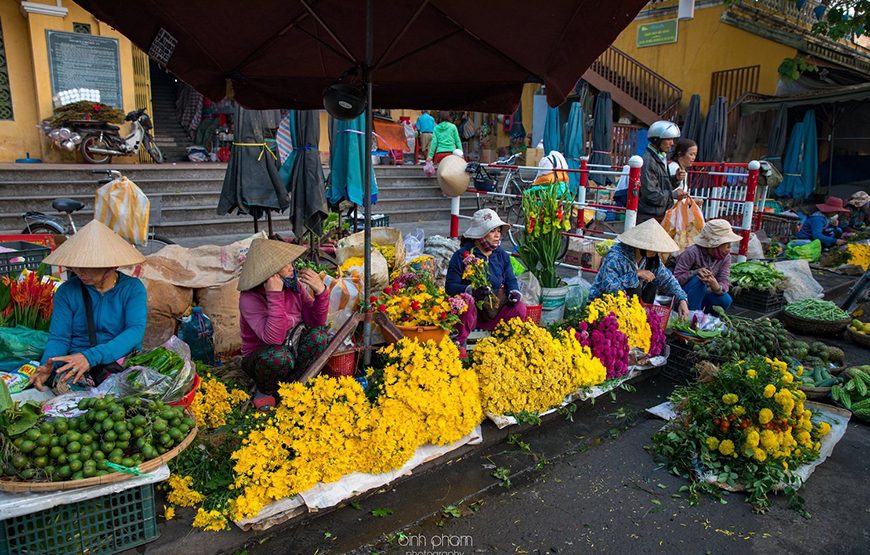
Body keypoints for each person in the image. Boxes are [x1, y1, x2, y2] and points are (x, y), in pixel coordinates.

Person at [29, 220, 147, 391]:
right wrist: (49, 365)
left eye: (86, 266)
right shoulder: (67, 291)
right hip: (76, 362)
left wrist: (90, 357)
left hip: (120, 360)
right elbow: (59, 338)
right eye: (76, 266)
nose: (79, 272)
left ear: (110, 266)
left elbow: (135, 331)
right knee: (67, 391)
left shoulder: (132, 288)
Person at [238, 239, 330, 409]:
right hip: (264, 357)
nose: (291, 268)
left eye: (290, 263)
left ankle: (293, 384)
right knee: (280, 357)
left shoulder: (293, 287)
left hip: (291, 347)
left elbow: (315, 321)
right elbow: (274, 339)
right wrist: (274, 294)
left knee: (320, 335)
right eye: (284, 265)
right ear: (270, 274)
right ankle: (266, 389)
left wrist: (321, 293)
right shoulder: (250, 298)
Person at [446, 209, 526, 356]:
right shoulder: (462, 255)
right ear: (480, 234)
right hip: (472, 316)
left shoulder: (501, 255)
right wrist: (471, 290)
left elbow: (510, 279)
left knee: (519, 308)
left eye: (498, 231)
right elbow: (450, 286)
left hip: (494, 313)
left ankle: (506, 345)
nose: (497, 235)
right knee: (466, 300)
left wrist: (514, 292)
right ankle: (460, 346)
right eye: (492, 231)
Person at [589, 218, 690, 320]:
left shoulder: (651, 259)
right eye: (652, 248)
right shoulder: (616, 257)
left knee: (652, 282)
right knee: (635, 285)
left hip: (629, 307)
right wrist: (635, 274)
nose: (655, 252)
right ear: (640, 246)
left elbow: (667, 279)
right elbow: (609, 287)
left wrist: (682, 299)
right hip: (603, 305)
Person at [673, 219, 742, 314]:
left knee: (725, 300)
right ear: (715, 245)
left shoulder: (726, 258)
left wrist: (716, 286)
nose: (729, 248)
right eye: (727, 245)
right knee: (698, 282)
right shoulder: (692, 252)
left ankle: (707, 320)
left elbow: (724, 280)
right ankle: (691, 318)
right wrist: (695, 272)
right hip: (684, 296)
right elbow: (676, 279)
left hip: (706, 294)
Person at [638, 120, 688, 223]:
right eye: (669, 139)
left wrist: (675, 179)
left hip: (659, 213)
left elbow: (660, 184)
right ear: (657, 140)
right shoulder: (648, 161)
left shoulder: (660, 157)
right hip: (649, 216)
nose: (672, 143)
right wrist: (672, 195)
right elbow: (651, 193)